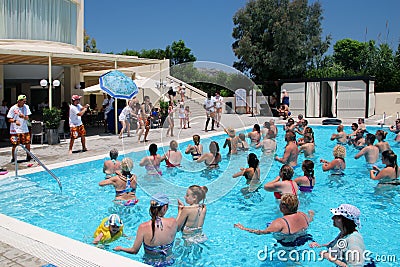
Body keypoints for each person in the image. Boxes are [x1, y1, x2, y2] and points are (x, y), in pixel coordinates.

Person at [113, 193, 178, 267]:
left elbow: (134, 251)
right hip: (169, 262)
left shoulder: (143, 227)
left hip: (150, 264)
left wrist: (120, 248)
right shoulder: (173, 222)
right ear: (165, 207)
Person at [234, 194, 314, 247]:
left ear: (283, 207)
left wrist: (243, 228)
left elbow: (261, 232)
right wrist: (311, 215)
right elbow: (310, 220)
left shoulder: (280, 222)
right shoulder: (303, 215)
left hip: (287, 246)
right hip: (304, 240)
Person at [309, 204, 375, 267]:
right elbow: (336, 244)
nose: (332, 218)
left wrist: (329, 257)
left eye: (336, 216)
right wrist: (320, 245)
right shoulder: (344, 232)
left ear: (343, 219)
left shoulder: (353, 241)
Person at [7, 95, 32, 162]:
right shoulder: (13, 108)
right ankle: (13, 158)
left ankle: (29, 156)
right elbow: (9, 119)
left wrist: (23, 116)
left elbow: (27, 117)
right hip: (15, 130)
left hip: (24, 129)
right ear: (19, 101)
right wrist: (15, 121)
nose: (24, 103)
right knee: (15, 144)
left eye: (25, 101)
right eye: (23, 101)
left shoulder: (26, 107)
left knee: (27, 143)